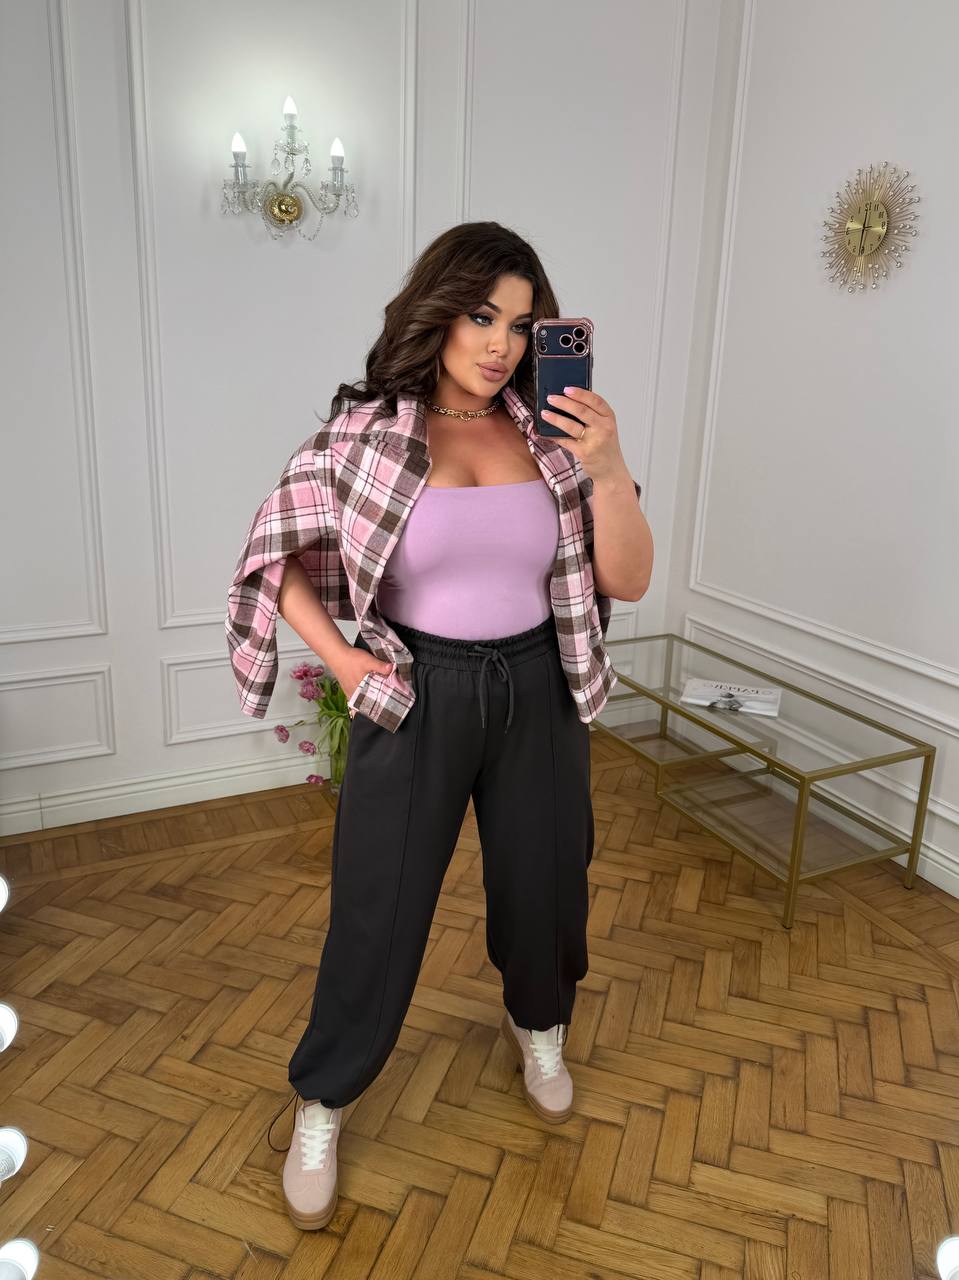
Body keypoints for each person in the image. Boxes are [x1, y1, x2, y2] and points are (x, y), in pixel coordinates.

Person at [224, 221, 652, 1231]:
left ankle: (537, 1023)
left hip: (539, 684)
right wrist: (342, 661)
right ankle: (325, 1097)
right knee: (377, 903)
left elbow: (627, 577)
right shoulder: (366, 436)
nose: (500, 343)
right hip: (419, 690)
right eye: (480, 315)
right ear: (438, 311)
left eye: (522, 324)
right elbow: (270, 554)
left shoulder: (556, 440)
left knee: (546, 882)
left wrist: (607, 464)